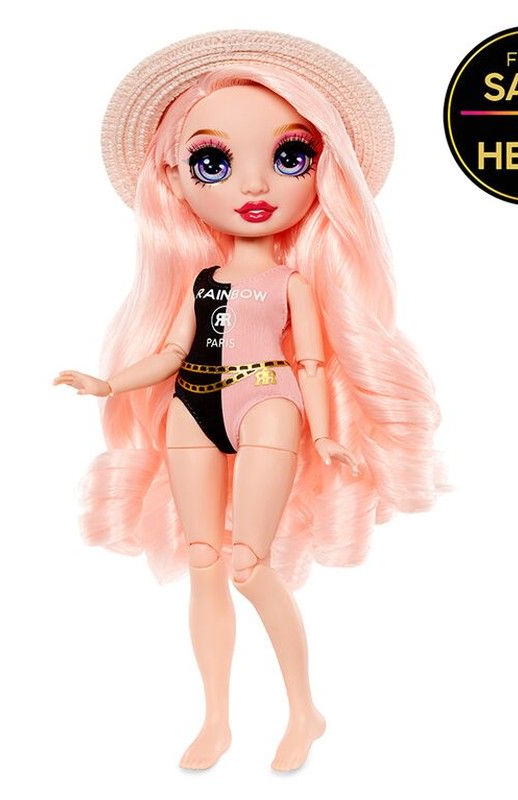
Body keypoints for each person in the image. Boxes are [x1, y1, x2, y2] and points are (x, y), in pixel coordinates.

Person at [54, 29, 450, 772]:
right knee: (204, 558)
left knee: (248, 563)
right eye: (214, 163)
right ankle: (216, 719)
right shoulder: (201, 282)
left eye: (290, 157)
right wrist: (108, 383)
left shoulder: (292, 283)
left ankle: (304, 709)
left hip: (269, 399)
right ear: (175, 181)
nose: (256, 186)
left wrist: (326, 433)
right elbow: (171, 354)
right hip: (192, 405)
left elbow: (314, 360)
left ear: (324, 170)